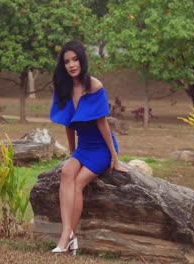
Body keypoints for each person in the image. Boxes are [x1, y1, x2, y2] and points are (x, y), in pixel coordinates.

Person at [49, 40, 128, 255]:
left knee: (78, 183)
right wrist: (72, 152)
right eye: (67, 61)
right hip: (83, 147)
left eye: (75, 59)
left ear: (82, 60)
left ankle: (67, 236)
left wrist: (114, 156)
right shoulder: (62, 87)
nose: (71, 65)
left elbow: (102, 123)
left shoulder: (95, 86)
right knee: (67, 172)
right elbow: (67, 123)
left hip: (101, 148)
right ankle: (69, 234)